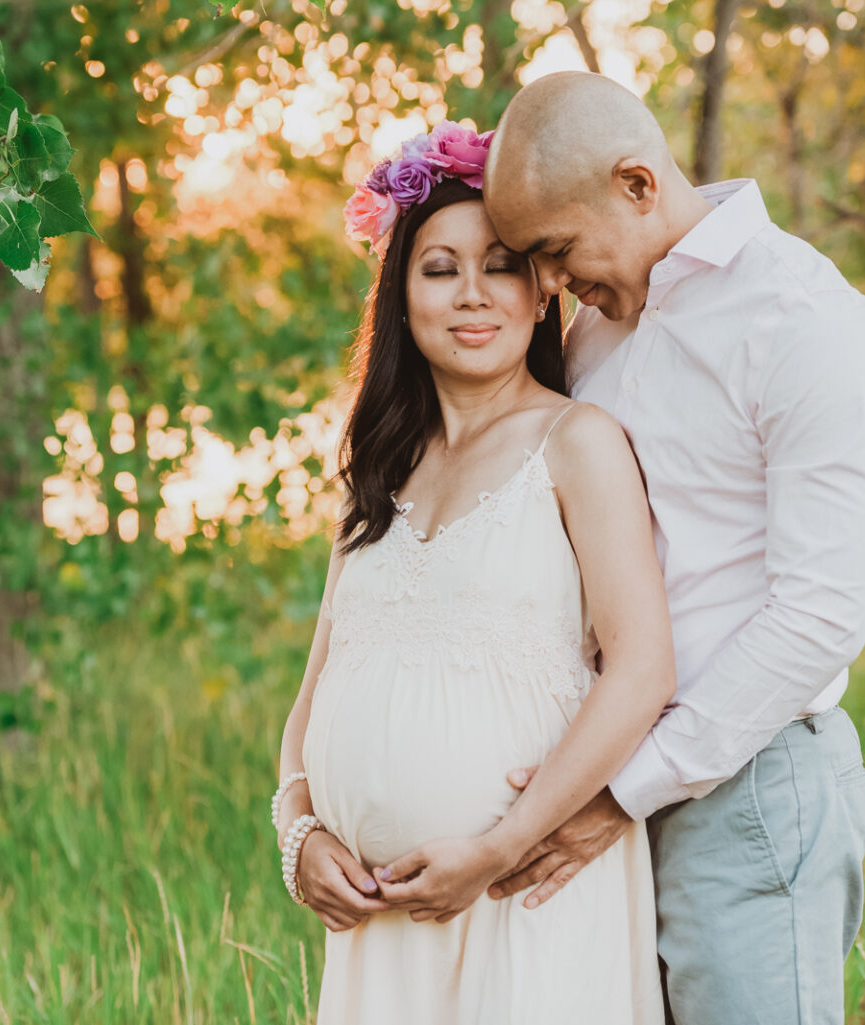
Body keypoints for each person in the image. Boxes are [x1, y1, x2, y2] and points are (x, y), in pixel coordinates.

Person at [481, 71, 865, 1024]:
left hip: (747, 788)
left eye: (556, 250)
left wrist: (621, 792)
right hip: (608, 787)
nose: (549, 284)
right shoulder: (596, 333)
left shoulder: (802, 321)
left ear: (637, 182)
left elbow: (819, 615)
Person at [269, 121, 675, 1024]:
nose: (471, 294)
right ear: (401, 298)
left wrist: (501, 846)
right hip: (380, 923)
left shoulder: (579, 443)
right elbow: (310, 704)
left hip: (521, 899)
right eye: (439, 269)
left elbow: (644, 670)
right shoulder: (377, 475)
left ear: (541, 294)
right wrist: (296, 831)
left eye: (499, 265)